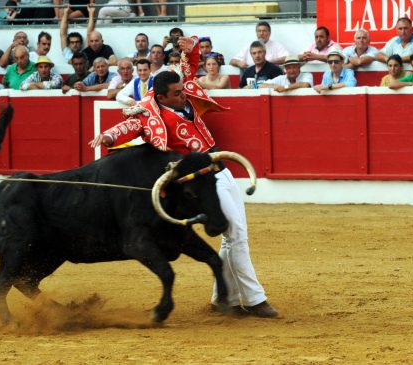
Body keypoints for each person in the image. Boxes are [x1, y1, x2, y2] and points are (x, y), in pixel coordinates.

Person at [89, 36, 278, 318]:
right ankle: (254, 299)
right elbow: (130, 126)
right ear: (161, 96)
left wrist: (187, 49)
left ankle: (222, 297)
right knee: (235, 235)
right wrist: (107, 135)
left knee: (233, 237)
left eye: (182, 90)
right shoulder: (151, 114)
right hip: (199, 180)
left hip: (219, 167)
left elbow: (189, 69)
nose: (184, 94)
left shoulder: (183, 92)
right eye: (177, 93)